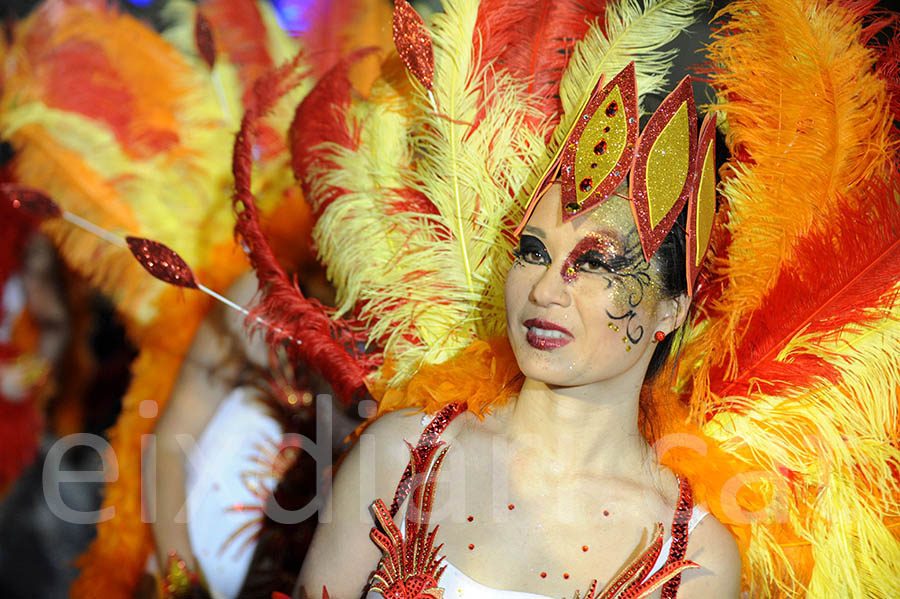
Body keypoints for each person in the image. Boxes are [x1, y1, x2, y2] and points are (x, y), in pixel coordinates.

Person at [296, 180, 742, 597]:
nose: (546, 289)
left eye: (594, 263)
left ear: (670, 309)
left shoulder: (695, 559)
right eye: (534, 252)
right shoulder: (402, 454)